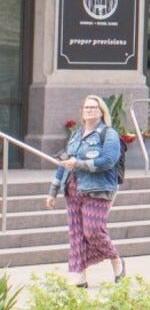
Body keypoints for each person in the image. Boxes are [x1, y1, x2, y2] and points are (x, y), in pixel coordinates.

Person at [45, 94, 125, 287]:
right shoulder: (76, 135)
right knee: (76, 234)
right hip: (73, 189)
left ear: (101, 112)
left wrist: (79, 164)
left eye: (93, 108)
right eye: (86, 108)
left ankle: (116, 259)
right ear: (81, 112)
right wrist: (53, 191)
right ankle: (80, 277)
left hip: (98, 189)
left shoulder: (109, 134)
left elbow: (107, 161)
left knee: (93, 231)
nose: (89, 110)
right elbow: (64, 163)